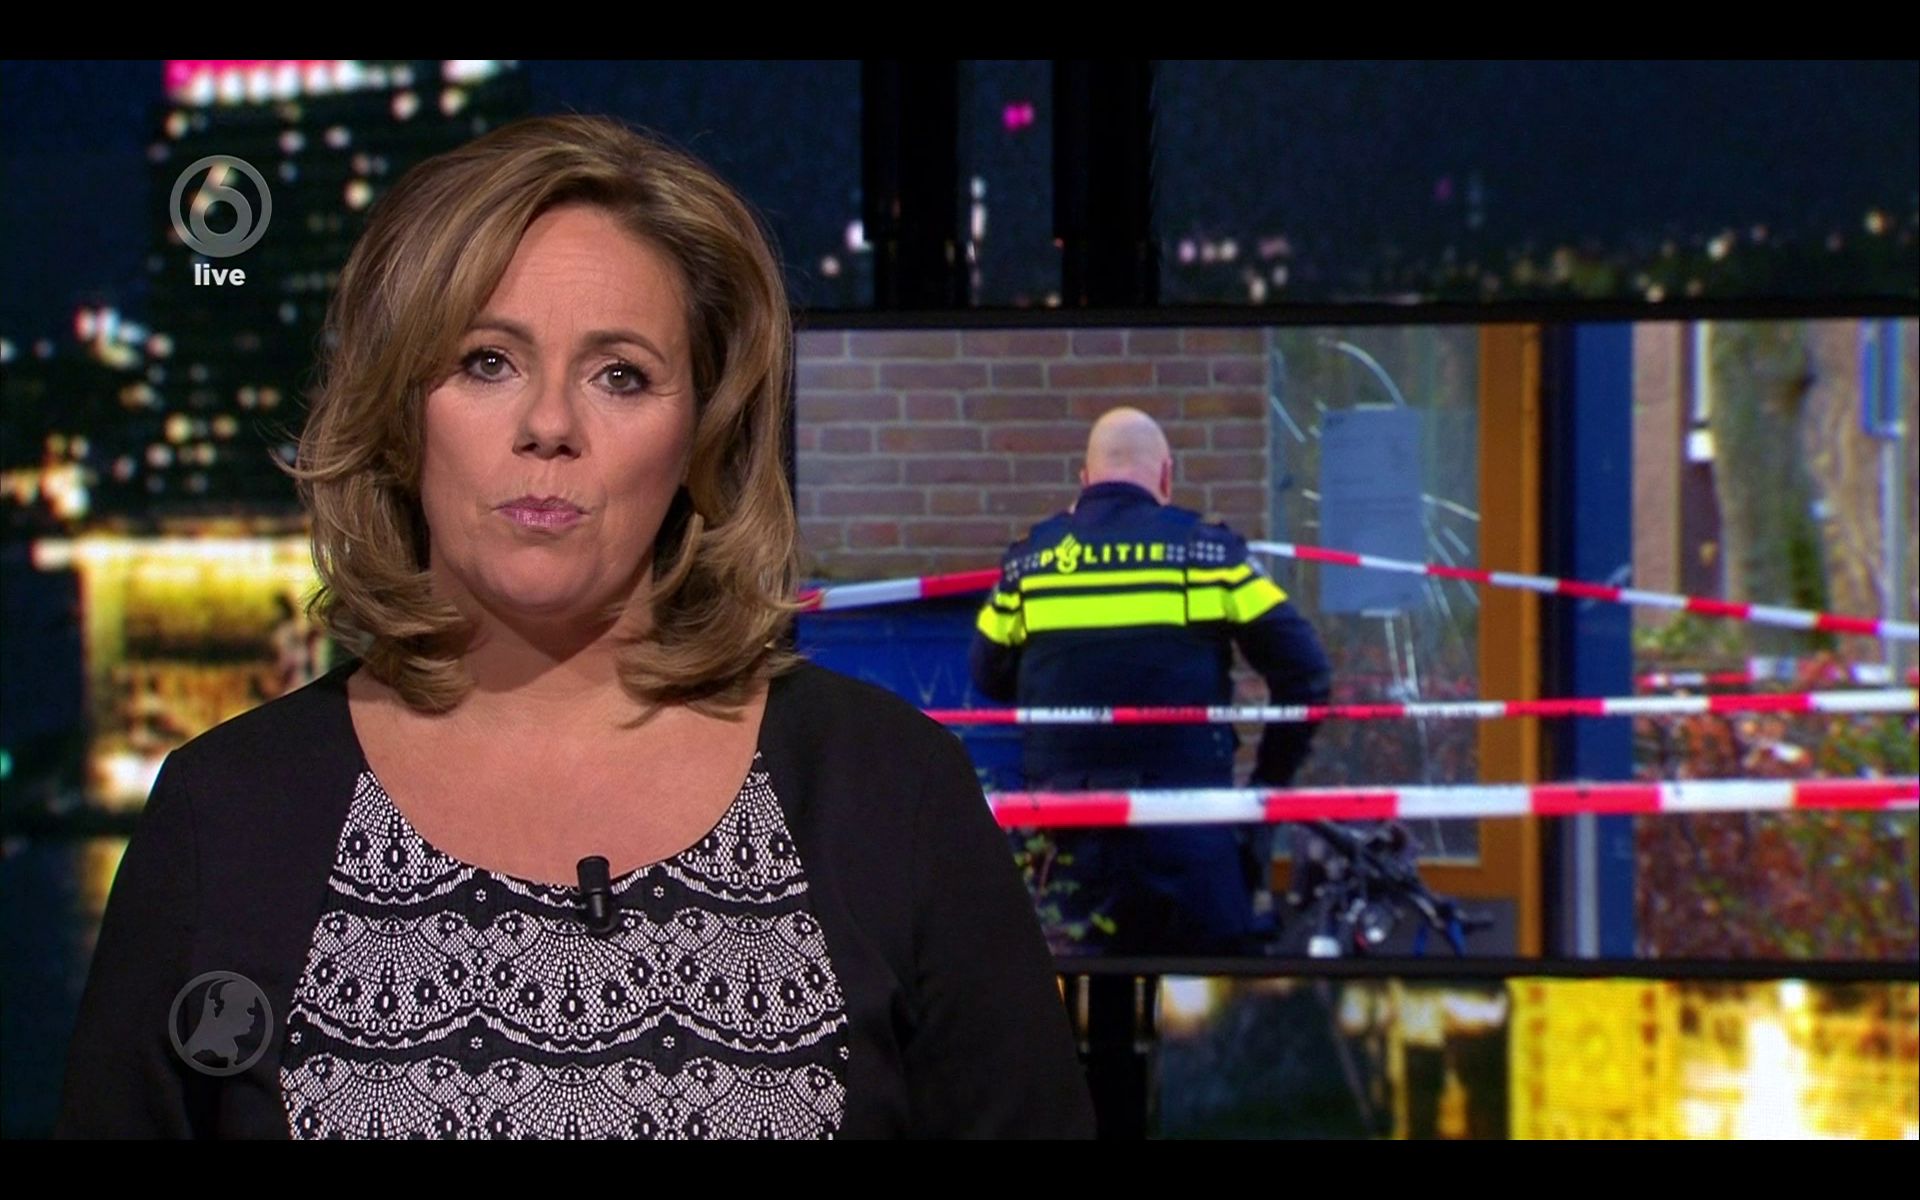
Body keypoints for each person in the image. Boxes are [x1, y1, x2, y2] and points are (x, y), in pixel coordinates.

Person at [55, 114, 1092, 1140]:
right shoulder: (226, 814)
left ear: (701, 436)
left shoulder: (889, 792)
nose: (549, 426)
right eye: (486, 362)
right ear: (399, 413)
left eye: (620, 375)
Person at [970, 407, 1331, 956]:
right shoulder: (1206, 555)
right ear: (1166, 475)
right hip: (1190, 846)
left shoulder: (1031, 564)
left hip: (1066, 849)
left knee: (1072, 998)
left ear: (1084, 482)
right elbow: (1306, 674)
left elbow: (987, 676)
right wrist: (1262, 797)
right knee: (1205, 1002)